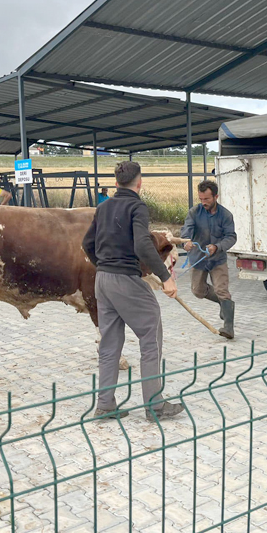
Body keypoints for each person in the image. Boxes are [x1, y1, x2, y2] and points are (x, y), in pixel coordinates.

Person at [82, 161, 183, 421]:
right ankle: (155, 405)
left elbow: (87, 243)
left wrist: (103, 266)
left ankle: (105, 405)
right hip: (125, 279)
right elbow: (141, 244)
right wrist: (165, 277)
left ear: (116, 183)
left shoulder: (103, 207)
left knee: (109, 343)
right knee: (151, 337)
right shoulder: (137, 206)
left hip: (102, 281)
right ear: (139, 183)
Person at [181, 180, 238, 338]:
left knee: (222, 290)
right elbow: (186, 230)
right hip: (198, 258)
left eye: (207, 199)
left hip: (218, 259)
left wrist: (217, 246)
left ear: (216, 196)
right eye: (201, 199)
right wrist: (186, 242)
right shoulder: (194, 212)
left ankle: (228, 328)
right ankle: (224, 304)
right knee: (197, 291)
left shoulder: (226, 215)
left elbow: (231, 237)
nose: (203, 202)